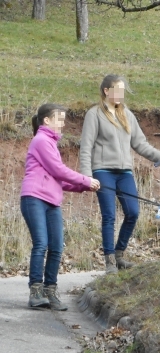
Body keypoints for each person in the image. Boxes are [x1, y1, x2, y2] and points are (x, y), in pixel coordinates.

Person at [80, 74, 160, 274]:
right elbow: (86, 148)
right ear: (107, 91)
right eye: (118, 90)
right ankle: (110, 262)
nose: (121, 94)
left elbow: (140, 144)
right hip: (103, 171)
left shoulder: (127, 114)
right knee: (109, 216)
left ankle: (119, 253)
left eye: (123, 90)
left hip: (124, 173)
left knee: (133, 212)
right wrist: (87, 177)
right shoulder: (94, 114)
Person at [20, 103, 100, 310]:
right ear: (46, 120)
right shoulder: (40, 140)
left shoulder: (51, 143)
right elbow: (59, 169)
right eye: (60, 119)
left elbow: (59, 179)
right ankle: (36, 292)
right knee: (41, 244)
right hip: (34, 198)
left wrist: (83, 187)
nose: (63, 124)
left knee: (56, 247)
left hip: (52, 201)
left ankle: (50, 291)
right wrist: (85, 179)